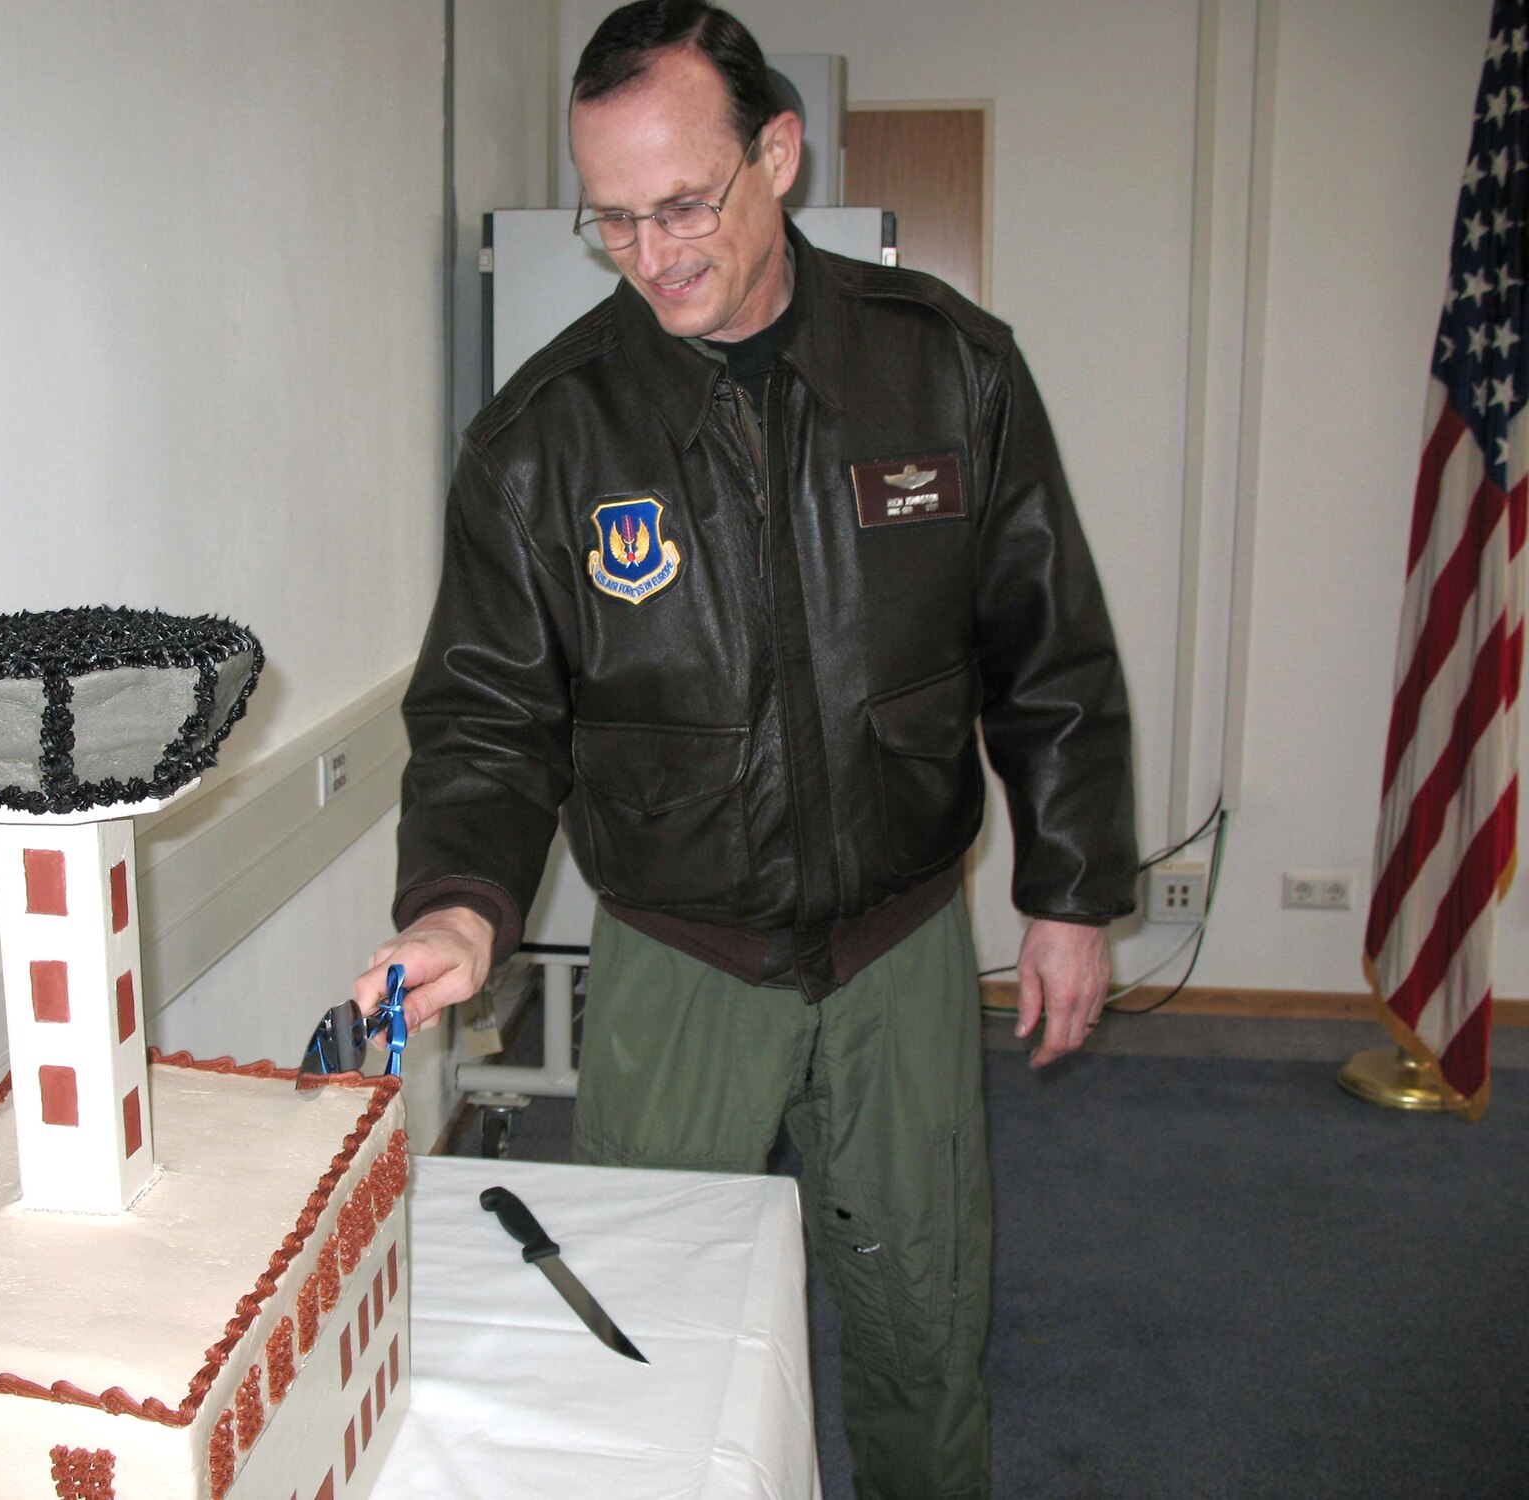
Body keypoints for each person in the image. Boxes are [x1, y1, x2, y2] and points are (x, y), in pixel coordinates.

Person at [355, 3, 1136, 1494]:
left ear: (776, 153)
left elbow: (1049, 648)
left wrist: (1072, 890)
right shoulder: (545, 438)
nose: (655, 256)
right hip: (679, 963)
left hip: (901, 946)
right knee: (643, 1341)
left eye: (684, 205)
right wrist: (459, 895)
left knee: (921, 1320)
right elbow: (484, 713)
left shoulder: (949, 370)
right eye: (613, 224)